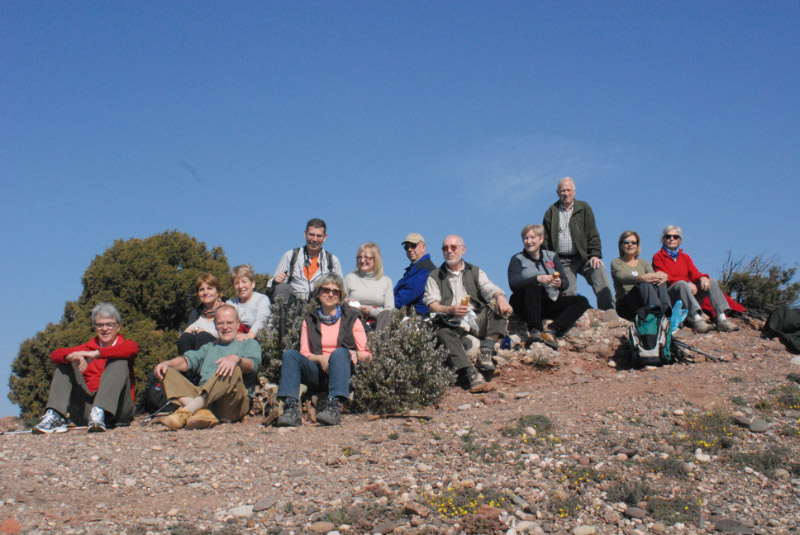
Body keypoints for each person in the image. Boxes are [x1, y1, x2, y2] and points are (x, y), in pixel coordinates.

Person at [276, 273, 371, 427]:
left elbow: (367, 354)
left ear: (340, 295)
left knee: (340, 352)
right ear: (318, 293)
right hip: (317, 372)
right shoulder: (309, 319)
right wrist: (320, 358)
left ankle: (334, 407)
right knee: (290, 355)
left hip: (342, 372)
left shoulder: (352, 318)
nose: (330, 294)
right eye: (326, 290)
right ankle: (291, 409)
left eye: (336, 291)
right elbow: (305, 353)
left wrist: (352, 353)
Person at [424, 235, 513, 391]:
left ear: (463, 250)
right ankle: (470, 372)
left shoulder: (475, 271)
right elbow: (432, 304)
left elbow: (489, 288)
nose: (449, 251)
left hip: (476, 317)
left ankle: (487, 348)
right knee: (442, 333)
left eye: (453, 247)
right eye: (445, 248)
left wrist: (500, 297)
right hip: (451, 321)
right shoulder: (435, 276)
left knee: (499, 304)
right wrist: (449, 309)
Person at [34, 303, 138, 434]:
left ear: (118, 326)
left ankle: (100, 411)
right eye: (99, 325)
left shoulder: (125, 345)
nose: (104, 329)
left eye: (109, 324)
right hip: (89, 410)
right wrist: (70, 357)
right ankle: (55, 416)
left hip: (119, 409)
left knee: (119, 360)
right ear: (95, 328)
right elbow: (56, 354)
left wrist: (97, 354)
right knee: (65, 362)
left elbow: (132, 349)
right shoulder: (86, 348)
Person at [154, 304, 262, 430]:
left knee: (232, 368)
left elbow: (253, 365)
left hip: (230, 404)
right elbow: (188, 360)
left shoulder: (249, 344)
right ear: (215, 325)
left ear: (238, 323)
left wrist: (237, 359)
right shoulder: (209, 347)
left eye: (229, 323)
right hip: (205, 397)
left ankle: (188, 411)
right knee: (166, 371)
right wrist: (167, 364)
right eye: (220, 323)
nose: (225, 327)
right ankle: (202, 412)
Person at [508, 224, 591, 349]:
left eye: (532, 237)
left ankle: (552, 330)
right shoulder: (517, 259)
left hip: (548, 302)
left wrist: (559, 283)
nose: (529, 241)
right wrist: (537, 278)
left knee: (582, 301)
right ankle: (535, 331)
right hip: (525, 304)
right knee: (533, 286)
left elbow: (565, 282)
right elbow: (513, 284)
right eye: (525, 238)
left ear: (541, 239)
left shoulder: (551, 256)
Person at [542, 177, 615, 310]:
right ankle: (577, 317)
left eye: (568, 190)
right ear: (557, 193)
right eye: (562, 191)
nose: (566, 193)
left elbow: (592, 232)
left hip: (583, 256)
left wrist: (595, 255)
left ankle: (608, 311)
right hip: (562, 261)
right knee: (568, 294)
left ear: (574, 192)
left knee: (598, 270)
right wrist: (549, 262)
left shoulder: (584, 208)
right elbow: (545, 241)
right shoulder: (551, 212)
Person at [652, 225, 741, 333]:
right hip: (672, 294)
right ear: (663, 239)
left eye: (675, 237)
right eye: (668, 236)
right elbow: (664, 277)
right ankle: (697, 320)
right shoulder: (658, 257)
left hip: (686, 291)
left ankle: (722, 319)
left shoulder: (685, 257)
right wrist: (686, 283)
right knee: (682, 284)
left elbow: (694, 273)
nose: (672, 239)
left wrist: (702, 278)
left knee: (711, 281)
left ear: (679, 240)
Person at [269, 218, 343, 301]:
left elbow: (340, 289)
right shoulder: (290, 256)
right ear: (305, 234)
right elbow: (272, 285)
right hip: (292, 304)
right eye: (311, 235)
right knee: (281, 288)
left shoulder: (332, 261)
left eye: (319, 236)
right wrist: (275, 281)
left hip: (319, 305)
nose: (314, 239)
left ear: (325, 237)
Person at [610, 231, 672, 321]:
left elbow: (653, 276)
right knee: (644, 284)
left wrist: (663, 276)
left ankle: (667, 312)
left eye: (633, 243)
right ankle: (655, 313)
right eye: (627, 242)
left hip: (643, 299)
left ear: (637, 245)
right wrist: (640, 278)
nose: (630, 245)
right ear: (621, 245)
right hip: (626, 303)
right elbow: (622, 277)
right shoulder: (616, 262)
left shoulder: (644, 262)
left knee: (659, 281)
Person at [344, 242, 395, 331]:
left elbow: (390, 310)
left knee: (387, 315)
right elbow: (341, 302)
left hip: (378, 324)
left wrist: (371, 311)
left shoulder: (386, 281)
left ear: (376, 259)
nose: (362, 261)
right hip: (355, 322)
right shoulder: (350, 278)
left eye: (367, 258)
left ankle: (378, 339)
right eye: (360, 257)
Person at [177, 273, 225, 354]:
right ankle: (186, 361)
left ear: (217, 292)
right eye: (201, 289)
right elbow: (186, 332)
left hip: (220, 350)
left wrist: (203, 332)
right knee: (185, 338)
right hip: (198, 350)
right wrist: (196, 329)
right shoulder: (197, 313)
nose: (205, 292)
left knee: (203, 336)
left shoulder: (227, 309)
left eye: (209, 288)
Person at [394, 233, 437, 315]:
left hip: (418, 316)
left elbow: (406, 296)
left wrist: (385, 303)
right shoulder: (414, 269)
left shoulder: (425, 269)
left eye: (413, 246)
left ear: (423, 247)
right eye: (406, 247)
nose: (409, 249)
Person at [226, 264, 271, 341]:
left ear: (252, 284)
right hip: (235, 339)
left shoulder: (262, 299)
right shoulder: (230, 304)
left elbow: (261, 320)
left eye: (244, 281)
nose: (240, 286)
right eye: (236, 283)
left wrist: (249, 335)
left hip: (257, 339)